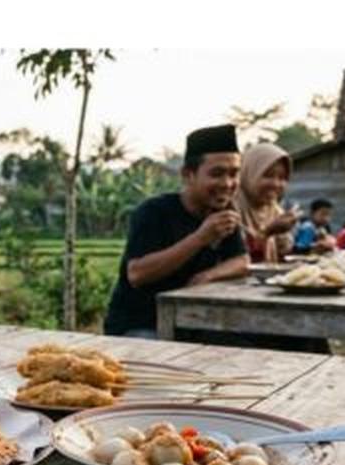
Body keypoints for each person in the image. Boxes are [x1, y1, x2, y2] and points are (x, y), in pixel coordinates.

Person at [104, 124, 248, 337]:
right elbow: (137, 274)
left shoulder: (223, 211)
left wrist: (208, 276)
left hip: (191, 323)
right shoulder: (153, 212)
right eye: (217, 174)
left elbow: (241, 261)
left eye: (234, 174)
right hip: (141, 325)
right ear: (188, 174)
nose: (227, 183)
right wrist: (200, 238)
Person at [233, 143, 298, 263]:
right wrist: (267, 233)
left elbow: (282, 255)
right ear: (249, 173)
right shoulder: (230, 207)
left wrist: (315, 250)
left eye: (282, 178)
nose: (276, 184)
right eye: (268, 175)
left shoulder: (275, 210)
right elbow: (237, 258)